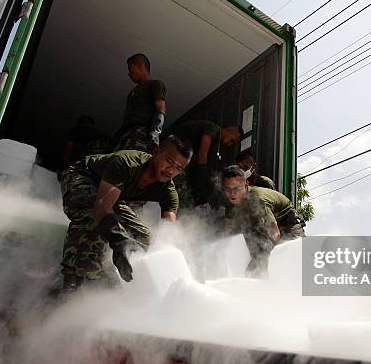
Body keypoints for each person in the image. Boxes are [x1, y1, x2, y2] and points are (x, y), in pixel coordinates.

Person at [58, 135, 192, 291]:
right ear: (156, 151)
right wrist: (119, 240)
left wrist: (174, 264)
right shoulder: (127, 163)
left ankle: (118, 279)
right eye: (169, 161)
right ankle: (72, 280)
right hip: (83, 176)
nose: (171, 170)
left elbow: (168, 234)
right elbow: (101, 205)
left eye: (178, 168)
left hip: (110, 193)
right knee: (94, 219)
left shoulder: (169, 192)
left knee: (144, 239)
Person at [221, 165, 305, 277]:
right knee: (251, 272)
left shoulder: (257, 200)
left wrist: (266, 262)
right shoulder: (231, 201)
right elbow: (227, 227)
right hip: (262, 228)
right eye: (228, 189)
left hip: (287, 226)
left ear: (246, 185)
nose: (232, 193)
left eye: (237, 188)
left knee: (289, 261)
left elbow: (275, 234)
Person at [163, 120, 242, 206]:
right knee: (181, 191)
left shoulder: (216, 141)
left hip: (177, 157)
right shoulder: (212, 129)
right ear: (229, 130)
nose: (229, 144)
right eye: (232, 140)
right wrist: (201, 182)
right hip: (170, 151)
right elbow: (202, 155)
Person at [112, 53, 166, 153]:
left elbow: (161, 110)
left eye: (130, 69)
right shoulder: (132, 92)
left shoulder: (156, 84)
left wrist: (155, 136)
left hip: (141, 134)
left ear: (140, 66)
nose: (129, 73)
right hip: (126, 134)